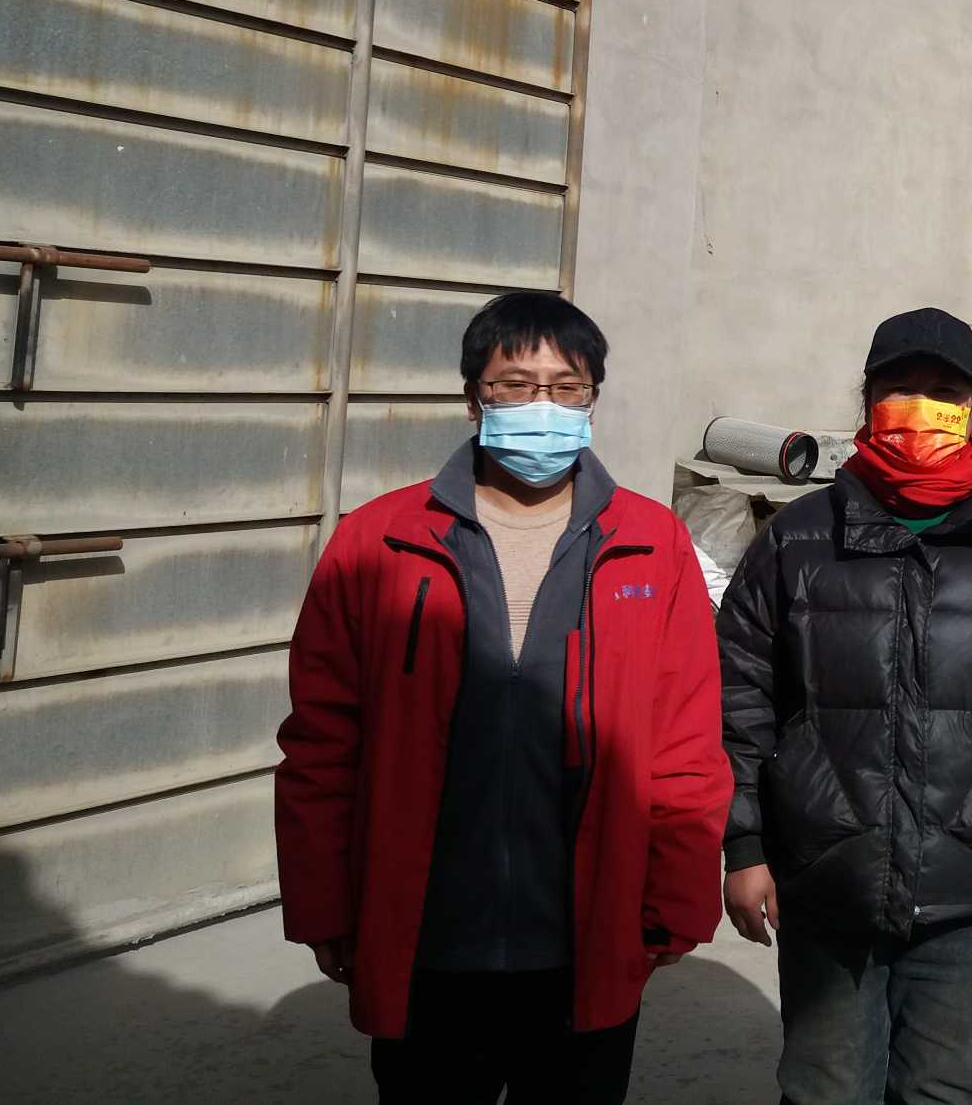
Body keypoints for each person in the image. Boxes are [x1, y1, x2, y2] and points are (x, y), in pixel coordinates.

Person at [275, 291, 731, 1103]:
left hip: (586, 935)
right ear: (473, 398)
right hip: (428, 937)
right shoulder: (378, 541)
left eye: (567, 387)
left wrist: (679, 898)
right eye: (516, 385)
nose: (542, 406)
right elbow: (321, 743)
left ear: (592, 400)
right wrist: (323, 903)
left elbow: (685, 740)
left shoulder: (651, 543)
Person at [716, 307, 972, 1105]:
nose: (921, 408)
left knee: (940, 1088)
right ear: (868, 400)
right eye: (901, 387)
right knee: (824, 1089)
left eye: (944, 391)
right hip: (827, 877)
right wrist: (744, 844)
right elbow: (740, 696)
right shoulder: (799, 539)